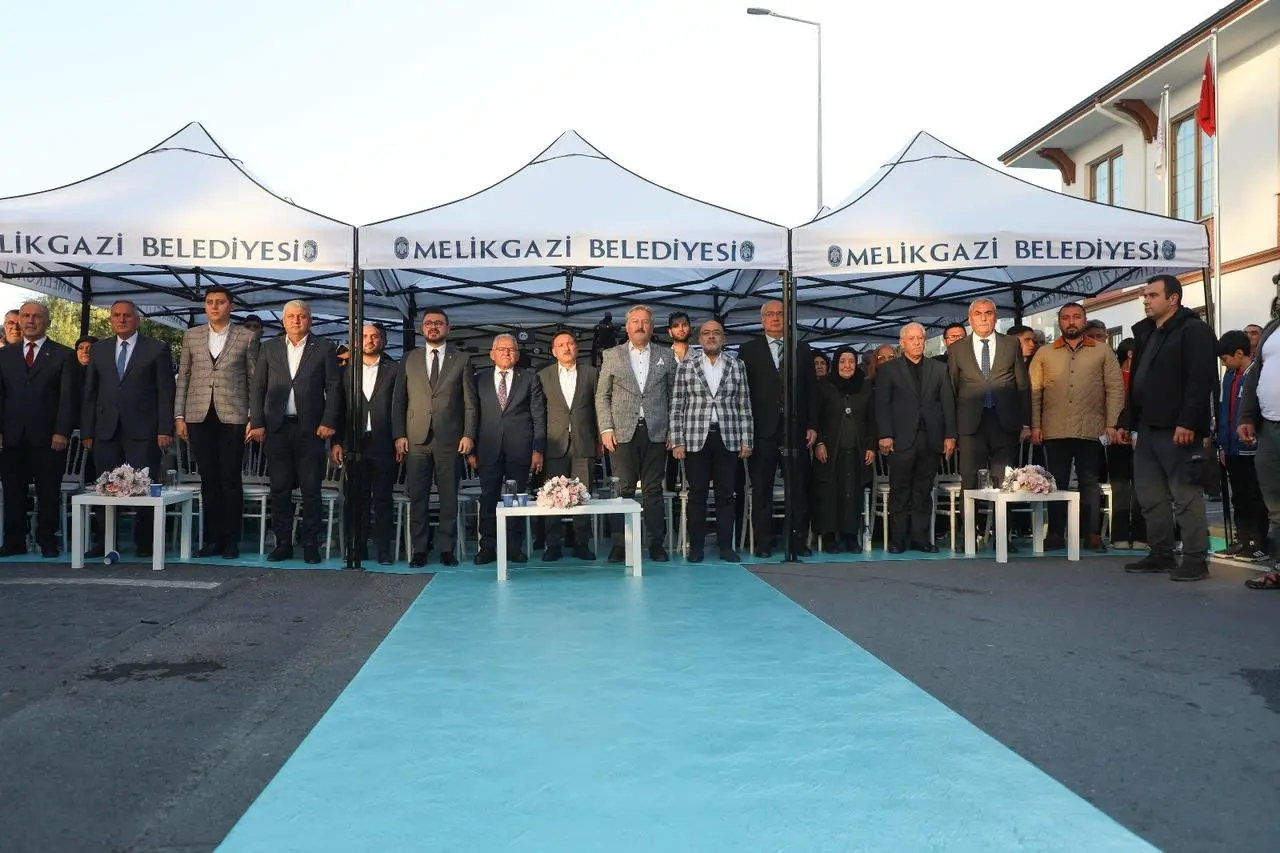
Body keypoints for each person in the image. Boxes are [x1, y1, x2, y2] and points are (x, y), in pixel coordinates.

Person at [1119, 274, 1216, 582]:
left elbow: (1200, 380)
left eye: (1152, 295)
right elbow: (1138, 381)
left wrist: (1188, 421)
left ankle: (1195, 558)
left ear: (1173, 298)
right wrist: (1127, 421)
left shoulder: (1194, 330)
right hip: (1148, 426)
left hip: (1178, 427)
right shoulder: (1148, 332)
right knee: (1150, 495)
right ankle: (1161, 553)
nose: (1146, 300)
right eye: (1145, 295)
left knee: (1185, 495)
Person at [247, 300, 341, 564]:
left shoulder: (323, 347)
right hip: (277, 428)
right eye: (291, 316)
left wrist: (329, 420)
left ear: (309, 320)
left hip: (311, 429)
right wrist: (257, 422)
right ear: (283, 321)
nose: (296, 320)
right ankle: (283, 543)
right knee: (279, 488)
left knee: (311, 489)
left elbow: (334, 387)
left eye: (301, 316)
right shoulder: (269, 348)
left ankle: (310, 544)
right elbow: (258, 388)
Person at [81, 300, 176, 559]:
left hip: (144, 431)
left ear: (137, 319)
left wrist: (165, 428)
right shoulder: (99, 349)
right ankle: (104, 541)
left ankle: (145, 541)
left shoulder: (156, 349)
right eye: (116, 315)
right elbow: (90, 393)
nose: (121, 320)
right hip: (106, 431)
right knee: (105, 487)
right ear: (111, 319)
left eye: (126, 315)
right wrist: (87, 431)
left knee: (143, 487)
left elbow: (165, 392)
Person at [1029, 302, 1124, 553]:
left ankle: (1091, 534)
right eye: (1066, 318)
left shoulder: (1103, 351)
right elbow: (1034, 392)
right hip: (1054, 428)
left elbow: (1115, 389)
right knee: (1055, 483)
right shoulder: (1045, 353)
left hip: (1091, 428)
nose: (1071, 322)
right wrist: (1035, 424)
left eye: (1076, 317)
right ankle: (1056, 534)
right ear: (1059, 321)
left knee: (1089, 483)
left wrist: (1112, 424)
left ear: (1084, 319)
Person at [173, 287, 259, 560]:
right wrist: (179, 416)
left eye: (220, 302)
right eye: (209, 302)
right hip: (198, 415)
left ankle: (231, 540)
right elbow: (184, 377)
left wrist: (253, 417)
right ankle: (212, 539)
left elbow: (254, 380)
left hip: (233, 415)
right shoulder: (192, 335)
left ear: (230, 306)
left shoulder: (246, 336)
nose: (214, 306)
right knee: (208, 479)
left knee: (230, 479)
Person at [393, 308, 477, 568]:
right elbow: (399, 400)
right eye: (428, 323)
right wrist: (399, 434)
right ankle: (419, 549)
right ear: (422, 329)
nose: (433, 327)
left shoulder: (461, 359)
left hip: (449, 439)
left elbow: (470, 402)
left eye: (438, 323)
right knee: (418, 496)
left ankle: (446, 549)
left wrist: (469, 434)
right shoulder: (409, 358)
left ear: (448, 328)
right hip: (416, 439)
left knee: (448, 497)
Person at [595, 304, 677, 562]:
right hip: (621, 432)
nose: (640, 326)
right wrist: (606, 428)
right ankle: (621, 545)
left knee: (653, 489)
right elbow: (602, 395)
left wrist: (673, 429)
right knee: (623, 489)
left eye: (645, 322)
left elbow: (674, 396)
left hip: (657, 432)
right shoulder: (612, 355)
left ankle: (656, 544)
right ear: (627, 327)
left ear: (652, 327)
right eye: (636, 321)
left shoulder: (666, 355)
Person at [738, 300, 818, 558]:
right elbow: (742, 393)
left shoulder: (801, 349)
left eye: (780, 314)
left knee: (798, 488)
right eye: (770, 314)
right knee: (762, 487)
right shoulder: (748, 350)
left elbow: (811, 391)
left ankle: (796, 541)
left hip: (795, 429)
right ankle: (764, 542)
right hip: (762, 430)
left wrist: (812, 425)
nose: (775, 318)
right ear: (762, 320)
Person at [949, 298, 1031, 544]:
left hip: (1004, 422)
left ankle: (1003, 539)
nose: (983, 317)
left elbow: (1022, 385)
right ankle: (968, 537)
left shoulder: (1011, 344)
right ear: (970, 319)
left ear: (995, 317)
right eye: (978, 313)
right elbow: (952, 389)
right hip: (970, 424)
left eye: (988, 313)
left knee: (1005, 481)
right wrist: (952, 430)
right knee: (969, 481)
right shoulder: (957, 348)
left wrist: (1026, 422)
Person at [669, 319, 751, 562]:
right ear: (699, 339)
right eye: (706, 333)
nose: (711, 336)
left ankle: (726, 548)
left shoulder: (737, 365)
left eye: (716, 333)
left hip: (729, 437)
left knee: (727, 494)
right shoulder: (687, 365)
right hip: (695, 438)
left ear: (723, 338)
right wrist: (677, 441)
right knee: (697, 494)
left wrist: (747, 439)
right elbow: (677, 405)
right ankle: (697, 548)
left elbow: (744, 405)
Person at [0, 302, 76, 557]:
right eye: (25, 316)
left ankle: (47, 540)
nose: (30, 321)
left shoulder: (63, 355)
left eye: (36, 316)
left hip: (49, 437)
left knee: (48, 492)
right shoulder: (5, 355)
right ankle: (14, 541)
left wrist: (62, 431)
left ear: (47, 322)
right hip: (12, 436)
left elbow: (68, 398)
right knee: (13, 492)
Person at [876, 323, 957, 553]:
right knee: (900, 490)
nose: (916, 342)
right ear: (902, 343)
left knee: (923, 490)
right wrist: (885, 434)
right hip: (900, 439)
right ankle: (898, 540)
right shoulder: (889, 370)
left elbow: (947, 404)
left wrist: (950, 435)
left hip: (930, 438)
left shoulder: (939, 369)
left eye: (920, 338)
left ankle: (920, 539)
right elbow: (882, 404)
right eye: (911, 339)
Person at [472, 334, 545, 564]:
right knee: (488, 498)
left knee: (516, 499)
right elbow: (472, 415)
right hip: (487, 448)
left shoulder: (529, 378)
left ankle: (514, 547)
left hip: (520, 448)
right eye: (501, 349)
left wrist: (538, 449)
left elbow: (538, 416)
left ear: (517, 354)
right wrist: (471, 450)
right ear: (492, 354)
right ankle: (487, 547)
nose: (506, 352)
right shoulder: (479, 379)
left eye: (511, 349)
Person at [332, 324, 401, 566]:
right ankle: (356, 548)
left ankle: (383, 550)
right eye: (364, 336)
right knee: (355, 499)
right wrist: (337, 442)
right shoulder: (345, 371)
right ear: (356, 341)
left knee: (383, 498)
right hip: (354, 442)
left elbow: (400, 406)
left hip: (384, 442)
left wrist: (400, 437)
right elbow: (338, 408)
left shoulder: (395, 370)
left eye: (375, 336)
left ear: (383, 340)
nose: (369, 340)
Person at [537, 329, 598, 561]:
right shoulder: (543, 376)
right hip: (554, 444)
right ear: (554, 351)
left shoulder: (591, 373)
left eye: (570, 343)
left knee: (582, 494)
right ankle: (553, 545)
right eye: (561, 345)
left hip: (584, 442)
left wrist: (600, 437)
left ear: (577, 348)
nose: (566, 348)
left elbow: (598, 407)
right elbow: (539, 413)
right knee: (552, 495)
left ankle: (581, 543)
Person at [812, 346, 875, 553]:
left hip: (857, 450)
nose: (847, 365)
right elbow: (815, 416)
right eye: (842, 361)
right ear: (836, 363)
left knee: (852, 494)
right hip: (830, 450)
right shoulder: (824, 385)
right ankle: (829, 537)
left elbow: (872, 418)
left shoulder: (865, 386)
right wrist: (819, 442)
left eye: (851, 361)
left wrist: (871, 446)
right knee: (829, 494)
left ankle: (850, 536)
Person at [1238, 293, 1280, 588]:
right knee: (1275, 504)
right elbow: (1255, 376)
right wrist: (1246, 416)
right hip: (1269, 427)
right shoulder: (1272, 330)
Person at [1215, 330, 1267, 561]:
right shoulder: (1229, 377)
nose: (1224, 363)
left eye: (1225, 359)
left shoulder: (1255, 373)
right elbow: (1223, 410)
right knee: (1238, 496)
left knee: (1254, 495)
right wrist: (1221, 444)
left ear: (1238, 353)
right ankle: (1242, 539)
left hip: (1251, 446)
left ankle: (1258, 542)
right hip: (1231, 447)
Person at [1108, 339, 1147, 550]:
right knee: (1121, 487)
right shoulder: (1115, 377)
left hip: (1139, 436)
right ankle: (1121, 535)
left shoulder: (1143, 377)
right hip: (1117, 437)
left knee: (1141, 486)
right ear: (1131, 354)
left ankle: (1140, 536)